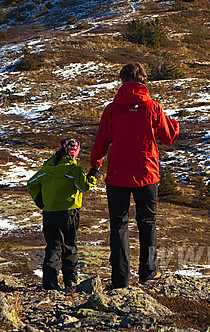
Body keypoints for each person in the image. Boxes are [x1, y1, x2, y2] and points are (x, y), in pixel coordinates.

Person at [89, 62, 180, 288]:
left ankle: (120, 278)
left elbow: (101, 142)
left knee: (118, 225)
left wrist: (95, 165)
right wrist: (175, 123)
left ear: (122, 81)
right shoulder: (153, 108)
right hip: (146, 174)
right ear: (143, 81)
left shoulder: (112, 109)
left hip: (117, 176)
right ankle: (149, 272)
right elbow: (169, 137)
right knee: (147, 223)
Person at [27, 138, 96, 291]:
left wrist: (41, 201)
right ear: (76, 152)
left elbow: (31, 184)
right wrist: (93, 176)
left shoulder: (46, 169)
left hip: (50, 212)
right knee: (69, 245)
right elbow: (83, 186)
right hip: (69, 212)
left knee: (53, 246)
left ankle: (49, 281)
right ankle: (70, 282)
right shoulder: (74, 170)